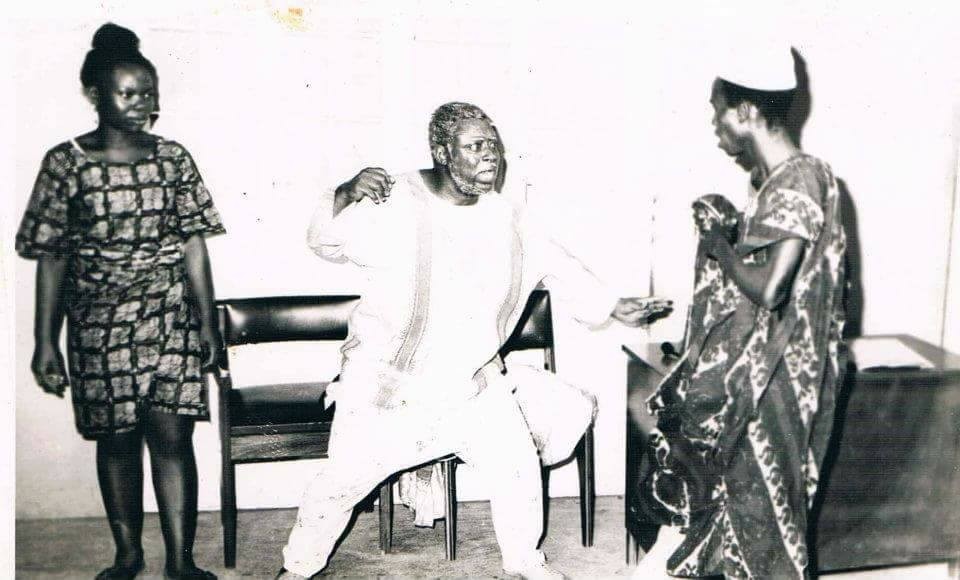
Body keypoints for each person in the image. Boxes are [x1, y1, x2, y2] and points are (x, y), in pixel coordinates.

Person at [277, 101, 672, 580]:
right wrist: (344, 194)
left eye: (494, 146)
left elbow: (559, 263)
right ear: (443, 152)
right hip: (390, 385)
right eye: (476, 146)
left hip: (472, 383)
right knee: (339, 486)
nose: (491, 156)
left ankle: (526, 563)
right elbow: (326, 242)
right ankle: (296, 569)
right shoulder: (393, 199)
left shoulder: (506, 217)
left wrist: (612, 305)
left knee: (517, 469)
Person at [17, 23, 225, 580]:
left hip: (171, 315)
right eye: (127, 93)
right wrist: (44, 342)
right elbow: (52, 257)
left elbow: (194, 246)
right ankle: (128, 555)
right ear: (95, 95)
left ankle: (180, 562)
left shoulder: (173, 158)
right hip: (97, 324)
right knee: (117, 442)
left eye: (148, 93)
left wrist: (207, 324)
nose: (141, 104)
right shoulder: (64, 163)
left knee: (173, 437)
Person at [632, 50, 846, 579]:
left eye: (717, 111)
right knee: (742, 508)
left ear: (746, 112)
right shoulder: (778, 181)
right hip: (764, 372)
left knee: (765, 517)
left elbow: (772, 289)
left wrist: (719, 247)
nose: (715, 126)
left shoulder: (798, 178)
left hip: (778, 380)